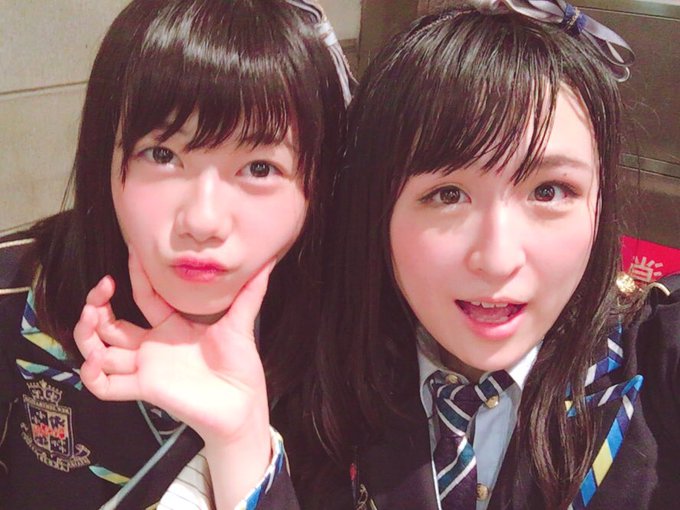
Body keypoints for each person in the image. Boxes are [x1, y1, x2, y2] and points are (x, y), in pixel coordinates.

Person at [302, 1, 679, 509]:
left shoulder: (655, 364)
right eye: (447, 194)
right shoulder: (315, 375)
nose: (497, 260)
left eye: (549, 191)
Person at [0, 0, 351, 508]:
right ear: (104, 155)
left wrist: (241, 440)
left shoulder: (354, 341)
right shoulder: (16, 291)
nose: (203, 220)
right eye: (162, 154)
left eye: (259, 167)